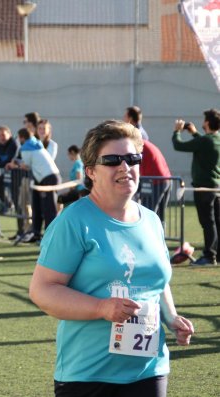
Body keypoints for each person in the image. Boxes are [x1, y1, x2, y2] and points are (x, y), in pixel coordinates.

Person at [29, 120, 194, 397]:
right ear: (91, 171)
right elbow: (42, 290)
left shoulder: (151, 220)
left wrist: (171, 316)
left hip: (149, 371)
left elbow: (156, 279)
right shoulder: (73, 221)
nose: (125, 167)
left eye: (132, 159)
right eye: (113, 160)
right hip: (88, 374)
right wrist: (102, 308)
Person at [172, 109, 220, 266]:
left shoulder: (205, 141)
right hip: (216, 186)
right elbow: (206, 142)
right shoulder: (215, 139)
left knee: (208, 222)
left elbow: (178, 145)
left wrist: (176, 132)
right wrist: (194, 133)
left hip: (204, 187)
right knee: (216, 221)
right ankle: (216, 254)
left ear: (207, 122)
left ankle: (209, 256)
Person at [15, 128, 61, 244]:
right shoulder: (36, 144)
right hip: (45, 177)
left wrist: (15, 164)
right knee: (38, 207)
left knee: (49, 209)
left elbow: (26, 165)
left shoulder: (26, 147)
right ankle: (37, 234)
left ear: (21, 137)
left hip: (47, 178)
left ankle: (50, 237)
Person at [140, 140, 172, 224]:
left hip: (155, 182)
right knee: (159, 216)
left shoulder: (137, 145)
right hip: (165, 179)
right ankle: (160, 235)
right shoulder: (145, 144)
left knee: (148, 213)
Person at [0, 125, 19, 214]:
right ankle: (9, 204)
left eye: (3, 135)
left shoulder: (13, 144)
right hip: (9, 173)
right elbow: (0, 160)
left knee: (17, 197)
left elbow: (7, 161)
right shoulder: (0, 145)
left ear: (9, 134)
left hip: (18, 173)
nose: (1, 137)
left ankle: (15, 208)